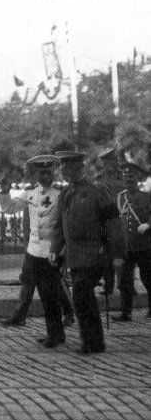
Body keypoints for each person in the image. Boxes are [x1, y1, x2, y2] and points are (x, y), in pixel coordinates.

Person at [51, 150, 118, 354]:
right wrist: (55, 250)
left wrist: (114, 254)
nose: (62, 172)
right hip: (74, 255)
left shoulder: (98, 190)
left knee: (81, 293)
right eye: (62, 169)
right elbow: (59, 226)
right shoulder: (67, 193)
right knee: (82, 297)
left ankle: (91, 341)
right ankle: (93, 341)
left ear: (79, 168)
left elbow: (113, 223)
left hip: (94, 254)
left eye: (66, 168)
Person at [0, 155, 67, 348]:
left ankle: (56, 334)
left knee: (50, 295)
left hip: (50, 252)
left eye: (48, 172)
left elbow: (64, 224)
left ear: (53, 172)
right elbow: (10, 208)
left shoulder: (61, 194)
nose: (45, 176)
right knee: (33, 288)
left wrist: (62, 250)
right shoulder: (29, 194)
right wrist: (5, 192)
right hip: (33, 251)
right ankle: (50, 331)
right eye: (41, 172)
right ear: (36, 174)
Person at [112, 162, 151, 322]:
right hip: (126, 246)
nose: (128, 180)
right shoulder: (120, 198)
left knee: (149, 278)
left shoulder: (147, 197)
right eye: (126, 177)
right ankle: (126, 312)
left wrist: (148, 225)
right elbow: (115, 222)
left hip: (144, 245)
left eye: (131, 177)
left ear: (138, 178)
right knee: (124, 280)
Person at [96, 147, 126, 296]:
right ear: (104, 163)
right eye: (109, 161)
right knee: (106, 256)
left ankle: (124, 285)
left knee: (122, 254)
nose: (113, 163)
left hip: (122, 220)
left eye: (115, 160)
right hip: (106, 221)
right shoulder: (99, 178)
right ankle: (108, 286)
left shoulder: (124, 176)